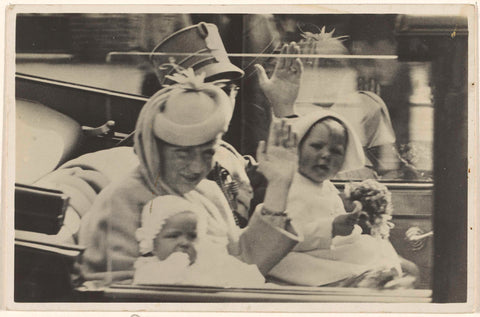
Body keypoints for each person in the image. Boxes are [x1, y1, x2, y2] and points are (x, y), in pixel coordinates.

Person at [76, 68, 302, 286]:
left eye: (208, 153)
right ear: (155, 148)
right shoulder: (120, 202)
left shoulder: (209, 192)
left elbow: (243, 264)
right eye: (182, 154)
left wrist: (279, 186)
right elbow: (113, 295)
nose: (197, 167)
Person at [266, 110, 415, 288]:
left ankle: (375, 275)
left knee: (384, 254)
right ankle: (363, 278)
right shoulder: (292, 188)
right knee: (375, 263)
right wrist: (331, 227)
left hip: (331, 251)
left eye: (336, 151)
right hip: (307, 259)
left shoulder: (325, 185)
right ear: (297, 148)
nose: (326, 155)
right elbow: (283, 238)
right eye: (316, 146)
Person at [255, 28, 419, 180]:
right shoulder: (286, 104)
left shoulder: (366, 104)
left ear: (347, 68)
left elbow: (389, 167)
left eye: (331, 64)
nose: (323, 71)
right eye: (312, 63)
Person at [133, 195, 264, 287]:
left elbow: (245, 276)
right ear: (153, 243)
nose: (184, 242)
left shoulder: (204, 263)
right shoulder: (148, 270)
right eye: (173, 236)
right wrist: (176, 263)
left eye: (192, 236)